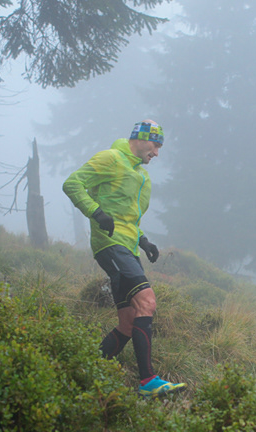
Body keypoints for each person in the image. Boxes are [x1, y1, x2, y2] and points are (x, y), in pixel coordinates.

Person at [63, 120, 186, 399]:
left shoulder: (140, 175)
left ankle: (83, 371)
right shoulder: (111, 158)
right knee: (147, 301)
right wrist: (96, 213)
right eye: (155, 145)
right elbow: (72, 183)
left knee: (129, 322)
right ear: (140, 139)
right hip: (110, 244)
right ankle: (148, 382)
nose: (157, 153)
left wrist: (143, 241)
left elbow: (127, 216)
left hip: (128, 247)